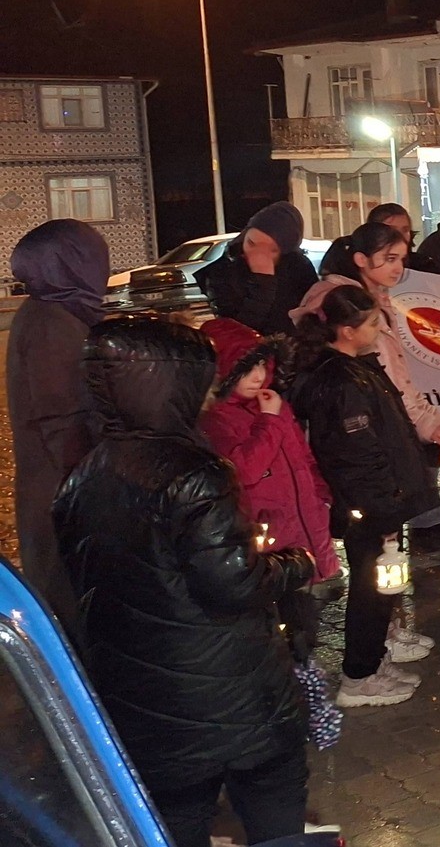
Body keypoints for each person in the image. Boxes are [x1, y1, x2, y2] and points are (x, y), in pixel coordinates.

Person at [54, 317, 318, 847]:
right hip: (233, 698)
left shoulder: (84, 475)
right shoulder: (196, 473)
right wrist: (296, 562)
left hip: (147, 707)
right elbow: (234, 586)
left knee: (177, 824)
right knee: (274, 813)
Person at [287, 285, 439, 708]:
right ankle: (358, 677)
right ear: (348, 330)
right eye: (373, 323)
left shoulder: (357, 368)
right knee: (371, 589)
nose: (380, 329)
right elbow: (357, 452)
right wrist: (385, 503)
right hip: (371, 504)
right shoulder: (343, 381)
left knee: (382, 586)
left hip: (379, 499)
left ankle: (372, 660)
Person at [301, 222, 440, 538]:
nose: (399, 268)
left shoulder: (374, 302)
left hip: (382, 442)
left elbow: (398, 380)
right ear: (362, 259)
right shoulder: (353, 312)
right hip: (369, 454)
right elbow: (391, 385)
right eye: (389, 258)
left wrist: (433, 425)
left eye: (402, 258)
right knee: (377, 547)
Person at [199, 318, 340, 658]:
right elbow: (243, 470)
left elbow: (302, 459)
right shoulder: (217, 419)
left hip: (301, 525)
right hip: (267, 537)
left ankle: (307, 685)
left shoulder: (273, 403)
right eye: (247, 368)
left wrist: (321, 495)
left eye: (262, 364)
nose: (259, 375)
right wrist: (270, 421)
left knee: (305, 621)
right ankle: (296, 690)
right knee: (281, 627)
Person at [6, 218, 107, 628]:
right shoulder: (52, 322)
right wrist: (93, 485)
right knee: (71, 606)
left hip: (57, 489)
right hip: (60, 496)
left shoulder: (57, 312)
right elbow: (62, 421)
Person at [196, 202, 320, 336]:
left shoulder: (299, 267)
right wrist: (263, 283)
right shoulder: (220, 272)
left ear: (285, 252)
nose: (256, 254)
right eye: (251, 243)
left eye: (270, 250)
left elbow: (312, 322)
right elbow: (236, 333)